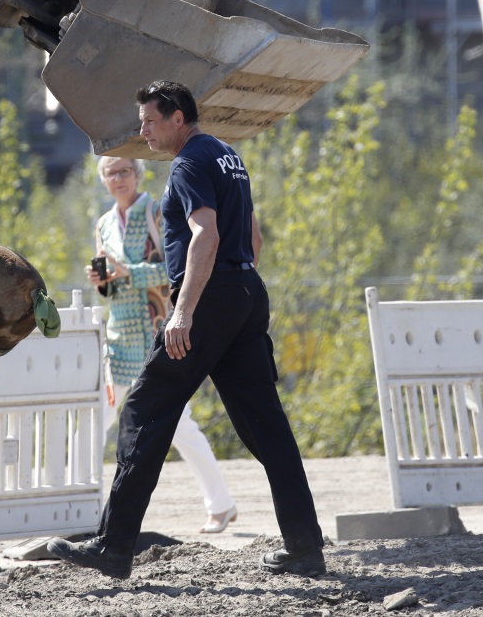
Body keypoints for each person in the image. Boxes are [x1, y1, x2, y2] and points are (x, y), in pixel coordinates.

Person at [49, 80, 326, 580]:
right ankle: (305, 547)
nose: (143, 131)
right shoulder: (227, 156)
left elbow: (206, 234)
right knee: (268, 427)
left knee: (143, 410)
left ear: (179, 118)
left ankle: (113, 548)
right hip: (242, 293)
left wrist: (186, 311)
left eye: (150, 121)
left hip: (210, 299)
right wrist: (235, 287)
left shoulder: (192, 161)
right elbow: (251, 235)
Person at [88, 154, 238, 535]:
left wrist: (130, 273)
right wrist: (102, 280)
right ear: (103, 180)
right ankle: (88, 509)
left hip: (159, 331)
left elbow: (178, 269)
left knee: (178, 424)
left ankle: (220, 504)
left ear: (138, 175)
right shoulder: (103, 224)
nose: (118, 178)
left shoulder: (157, 212)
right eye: (111, 173)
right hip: (120, 336)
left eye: (125, 171)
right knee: (101, 420)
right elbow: (110, 288)